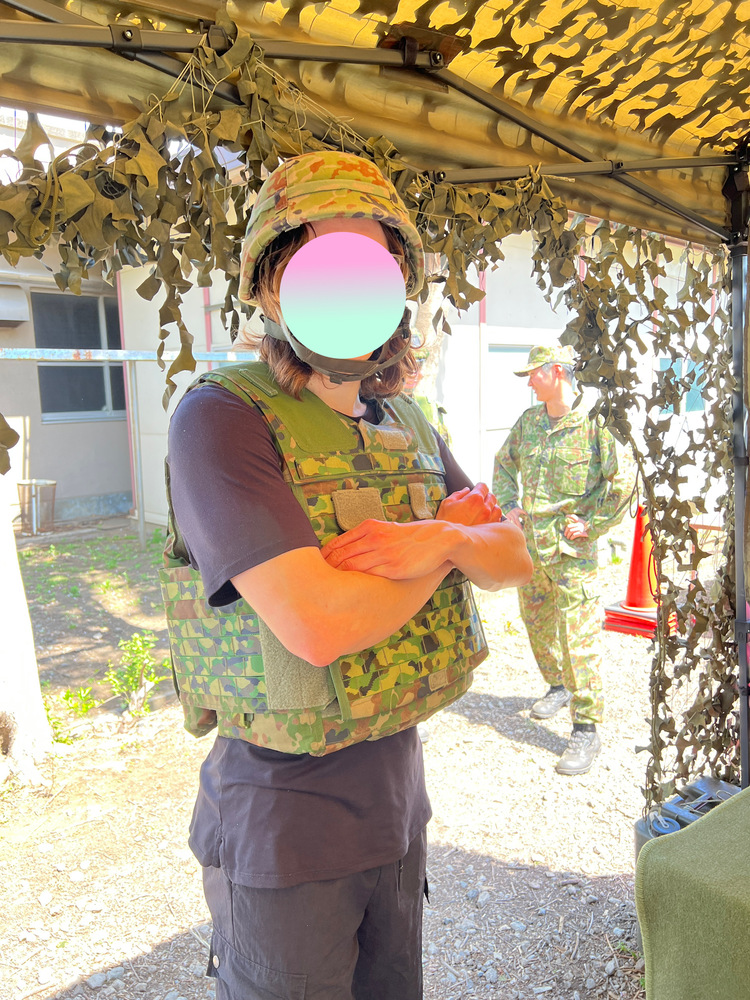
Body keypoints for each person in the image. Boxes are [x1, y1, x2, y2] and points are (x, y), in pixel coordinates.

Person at [163, 150, 532, 1000]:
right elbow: (318, 624)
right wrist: (449, 545)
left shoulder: (408, 418)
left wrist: (436, 538)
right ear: (270, 287)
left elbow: (513, 557)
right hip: (285, 816)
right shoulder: (223, 417)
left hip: (396, 798)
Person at [492, 344, 634, 776]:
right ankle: (557, 685)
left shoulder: (594, 423)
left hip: (572, 553)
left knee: (578, 637)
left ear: (556, 371)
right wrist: (508, 506)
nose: (529, 383)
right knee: (536, 623)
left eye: (533, 374)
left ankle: (586, 726)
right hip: (531, 548)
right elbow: (503, 464)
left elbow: (623, 481)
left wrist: (593, 522)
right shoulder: (529, 422)